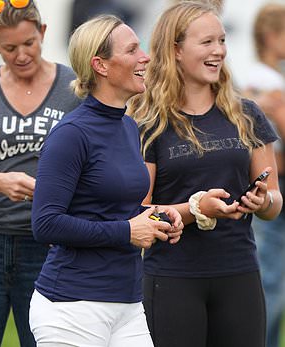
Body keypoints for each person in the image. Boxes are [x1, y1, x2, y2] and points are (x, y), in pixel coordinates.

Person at [128, 1, 283, 347]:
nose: (219, 51)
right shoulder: (150, 123)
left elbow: (274, 202)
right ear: (176, 50)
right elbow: (138, 212)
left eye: (222, 40)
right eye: (207, 42)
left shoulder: (246, 114)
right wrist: (196, 209)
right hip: (172, 278)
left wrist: (262, 200)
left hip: (239, 273)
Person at [29, 14, 183, 347]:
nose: (145, 57)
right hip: (71, 307)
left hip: (127, 304)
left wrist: (159, 216)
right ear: (100, 65)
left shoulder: (128, 126)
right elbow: (45, 223)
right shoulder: (71, 134)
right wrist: (128, 231)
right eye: (132, 50)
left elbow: (116, 206)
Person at [0, 0, 80, 346]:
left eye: (29, 43)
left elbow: (93, 165)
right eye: (9, 48)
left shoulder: (73, 88)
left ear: (43, 33)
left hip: (48, 247)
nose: (21, 55)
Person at [241, 4, 285, 347]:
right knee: (270, 278)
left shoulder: (266, 78)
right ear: (272, 37)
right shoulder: (264, 80)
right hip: (273, 185)